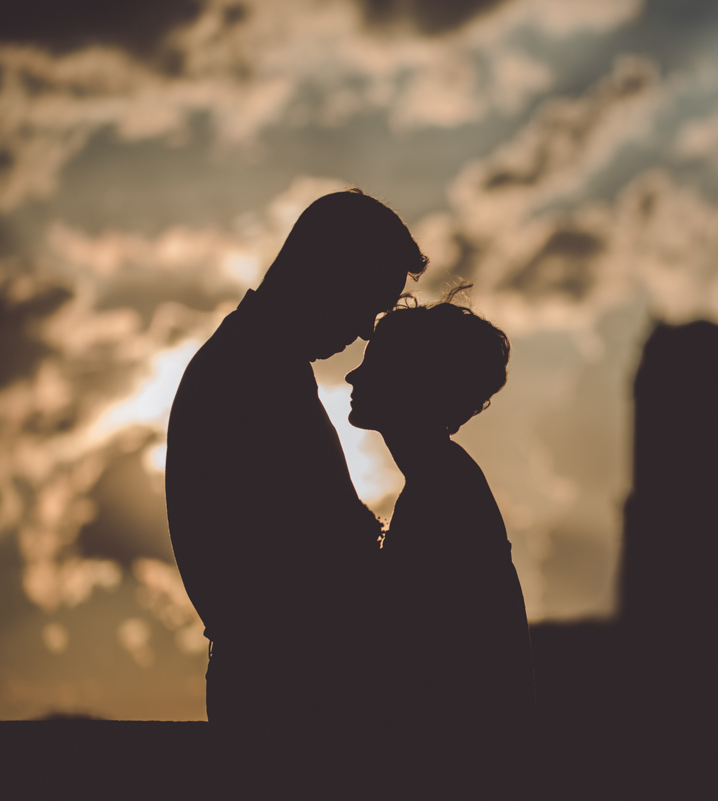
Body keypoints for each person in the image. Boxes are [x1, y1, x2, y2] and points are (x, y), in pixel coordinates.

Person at [165, 190, 428, 781]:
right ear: (325, 272)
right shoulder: (249, 375)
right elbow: (302, 559)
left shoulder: (254, 365)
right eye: (367, 302)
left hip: (282, 689)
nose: (365, 332)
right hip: (292, 701)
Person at [345, 287, 537, 798]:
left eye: (374, 366)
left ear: (412, 384)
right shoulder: (445, 480)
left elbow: (414, 657)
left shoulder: (440, 492)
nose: (352, 376)